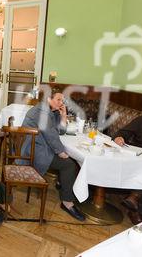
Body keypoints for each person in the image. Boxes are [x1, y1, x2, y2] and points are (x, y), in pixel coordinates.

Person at [20, 87, 85, 221]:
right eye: (58, 99)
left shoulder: (51, 111)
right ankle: (67, 202)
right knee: (69, 165)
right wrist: (60, 152)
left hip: (41, 146)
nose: (62, 102)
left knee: (69, 161)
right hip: (33, 151)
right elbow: (51, 135)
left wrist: (63, 115)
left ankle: (64, 185)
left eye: (63, 100)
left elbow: (60, 132)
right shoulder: (41, 111)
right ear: (49, 99)